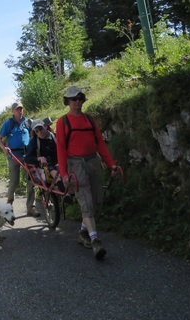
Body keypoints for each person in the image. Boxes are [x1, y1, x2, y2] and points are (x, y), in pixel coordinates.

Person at [56, 86, 120, 260]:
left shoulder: (90, 120)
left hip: (93, 162)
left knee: (97, 201)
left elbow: (100, 144)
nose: (77, 102)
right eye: (74, 99)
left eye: (80, 98)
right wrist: (63, 173)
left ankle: (83, 232)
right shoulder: (63, 122)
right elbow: (61, 149)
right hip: (75, 166)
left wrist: (111, 164)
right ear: (67, 102)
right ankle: (95, 241)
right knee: (86, 203)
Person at [0, 101, 38, 217]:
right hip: (13, 155)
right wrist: (4, 148)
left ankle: (31, 207)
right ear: (13, 111)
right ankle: (8, 205)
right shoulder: (8, 123)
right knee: (14, 182)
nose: (20, 111)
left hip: (27, 154)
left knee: (31, 181)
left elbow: (35, 134)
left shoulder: (28, 122)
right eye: (17, 109)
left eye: (21, 109)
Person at [25, 119, 68, 198]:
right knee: (51, 166)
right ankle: (64, 190)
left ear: (45, 126)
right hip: (46, 165)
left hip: (60, 160)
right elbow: (27, 158)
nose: (39, 132)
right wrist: (39, 158)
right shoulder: (34, 141)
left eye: (40, 129)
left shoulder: (55, 136)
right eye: (36, 131)